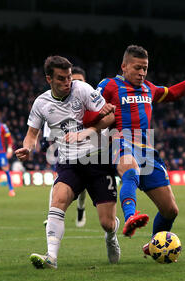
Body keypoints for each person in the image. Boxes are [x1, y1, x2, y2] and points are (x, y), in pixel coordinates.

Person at [94, 45, 185, 256]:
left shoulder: (149, 88)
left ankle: (153, 244)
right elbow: (90, 107)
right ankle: (130, 216)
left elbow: (172, 93)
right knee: (130, 170)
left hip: (147, 149)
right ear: (124, 66)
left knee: (170, 210)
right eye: (137, 68)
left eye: (145, 68)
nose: (142, 73)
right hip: (120, 141)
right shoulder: (108, 85)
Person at [15, 56, 119, 269]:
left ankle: (111, 237)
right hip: (69, 163)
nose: (67, 82)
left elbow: (110, 118)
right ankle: (51, 257)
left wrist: (87, 133)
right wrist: (27, 147)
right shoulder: (41, 103)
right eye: (61, 78)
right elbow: (31, 134)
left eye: (69, 77)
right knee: (58, 200)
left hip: (98, 159)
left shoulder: (82, 89)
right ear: (49, 79)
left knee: (106, 223)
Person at [42, 66, 89, 228]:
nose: (74, 84)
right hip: (67, 154)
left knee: (83, 190)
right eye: (72, 80)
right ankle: (52, 215)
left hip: (92, 154)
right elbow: (50, 133)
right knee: (59, 182)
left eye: (79, 81)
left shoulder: (91, 102)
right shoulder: (55, 106)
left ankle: (81, 208)